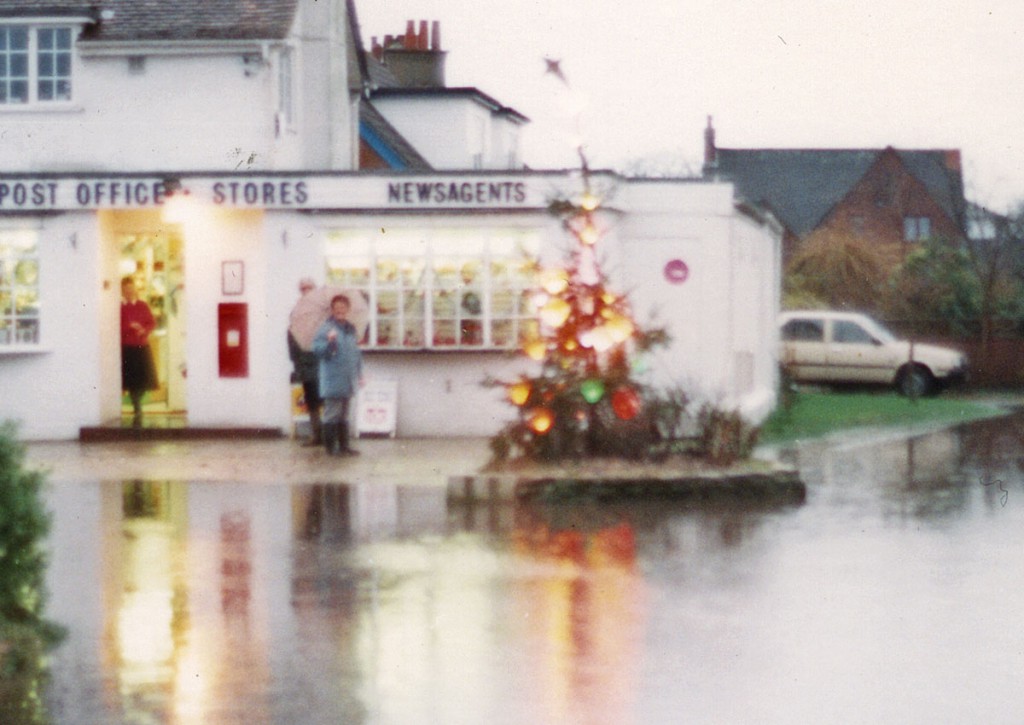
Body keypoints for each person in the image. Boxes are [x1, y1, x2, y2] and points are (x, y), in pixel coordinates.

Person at [312, 294, 363, 456]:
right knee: (332, 414)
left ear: (348, 309)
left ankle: (344, 446)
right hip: (333, 378)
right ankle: (330, 448)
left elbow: (356, 353)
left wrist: (360, 373)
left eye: (343, 307)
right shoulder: (326, 329)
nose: (340, 310)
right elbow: (318, 351)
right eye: (337, 308)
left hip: (348, 378)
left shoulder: (351, 329)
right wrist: (330, 342)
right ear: (332, 310)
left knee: (344, 414)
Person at [288, 278, 324, 446]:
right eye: (302, 288)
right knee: (311, 400)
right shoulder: (296, 310)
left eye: (309, 287)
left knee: (326, 398)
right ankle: (317, 434)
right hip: (304, 362)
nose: (305, 291)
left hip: (321, 361)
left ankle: (328, 434)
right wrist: (296, 359)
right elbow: (291, 335)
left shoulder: (322, 310)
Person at [120, 276, 158, 428]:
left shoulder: (142, 305)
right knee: (130, 380)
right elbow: (117, 328)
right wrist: (130, 327)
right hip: (127, 347)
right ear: (122, 291)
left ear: (135, 289)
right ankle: (137, 407)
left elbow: (152, 322)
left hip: (141, 345)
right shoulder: (120, 307)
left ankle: (137, 403)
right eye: (126, 290)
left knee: (144, 379)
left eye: (131, 289)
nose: (129, 292)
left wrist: (144, 330)